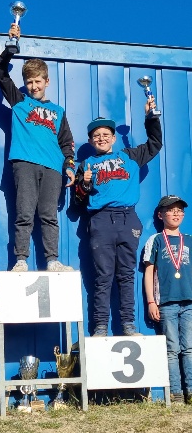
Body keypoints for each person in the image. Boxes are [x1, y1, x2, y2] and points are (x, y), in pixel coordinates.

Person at [75, 95, 162, 337]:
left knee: (126, 274)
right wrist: (84, 183)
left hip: (128, 219)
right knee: (103, 276)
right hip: (100, 220)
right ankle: (100, 327)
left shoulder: (130, 156)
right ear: (91, 141)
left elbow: (155, 143)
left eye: (106, 134)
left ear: (114, 138)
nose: (101, 138)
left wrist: (150, 117)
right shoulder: (86, 164)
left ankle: (128, 325)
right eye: (96, 136)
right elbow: (78, 201)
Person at [0, 23, 76, 272]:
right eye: (29, 82)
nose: (34, 86)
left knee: (49, 216)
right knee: (24, 214)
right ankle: (21, 260)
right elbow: (1, 73)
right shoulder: (19, 101)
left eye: (38, 81)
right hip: (25, 164)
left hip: (53, 167)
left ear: (47, 81)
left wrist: (69, 166)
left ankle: (52, 261)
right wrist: (10, 47)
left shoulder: (58, 111)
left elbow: (66, 142)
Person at [144, 195, 191, 404]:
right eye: (171, 210)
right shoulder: (155, 240)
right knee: (172, 349)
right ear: (160, 215)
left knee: (190, 348)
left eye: (179, 210)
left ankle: (190, 390)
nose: (176, 214)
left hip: (189, 302)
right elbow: (149, 272)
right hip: (166, 304)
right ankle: (176, 392)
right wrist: (151, 301)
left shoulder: (189, 239)